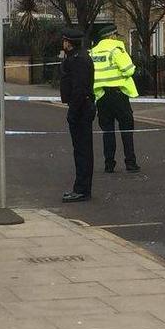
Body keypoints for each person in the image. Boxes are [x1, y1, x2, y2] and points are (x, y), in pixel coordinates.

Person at [90, 23, 140, 173]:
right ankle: (130, 162)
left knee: (108, 131)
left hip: (102, 96)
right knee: (126, 129)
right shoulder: (116, 49)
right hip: (118, 95)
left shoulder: (92, 52)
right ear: (112, 36)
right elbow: (129, 70)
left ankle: (109, 164)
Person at [59, 27, 96, 203]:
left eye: (64, 41)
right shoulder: (74, 57)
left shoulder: (80, 59)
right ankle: (80, 188)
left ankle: (82, 190)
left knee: (83, 151)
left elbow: (80, 89)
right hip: (80, 107)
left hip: (81, 108)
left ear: (69, 43)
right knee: (80, 150)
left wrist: (72, 113)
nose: (63, 43)